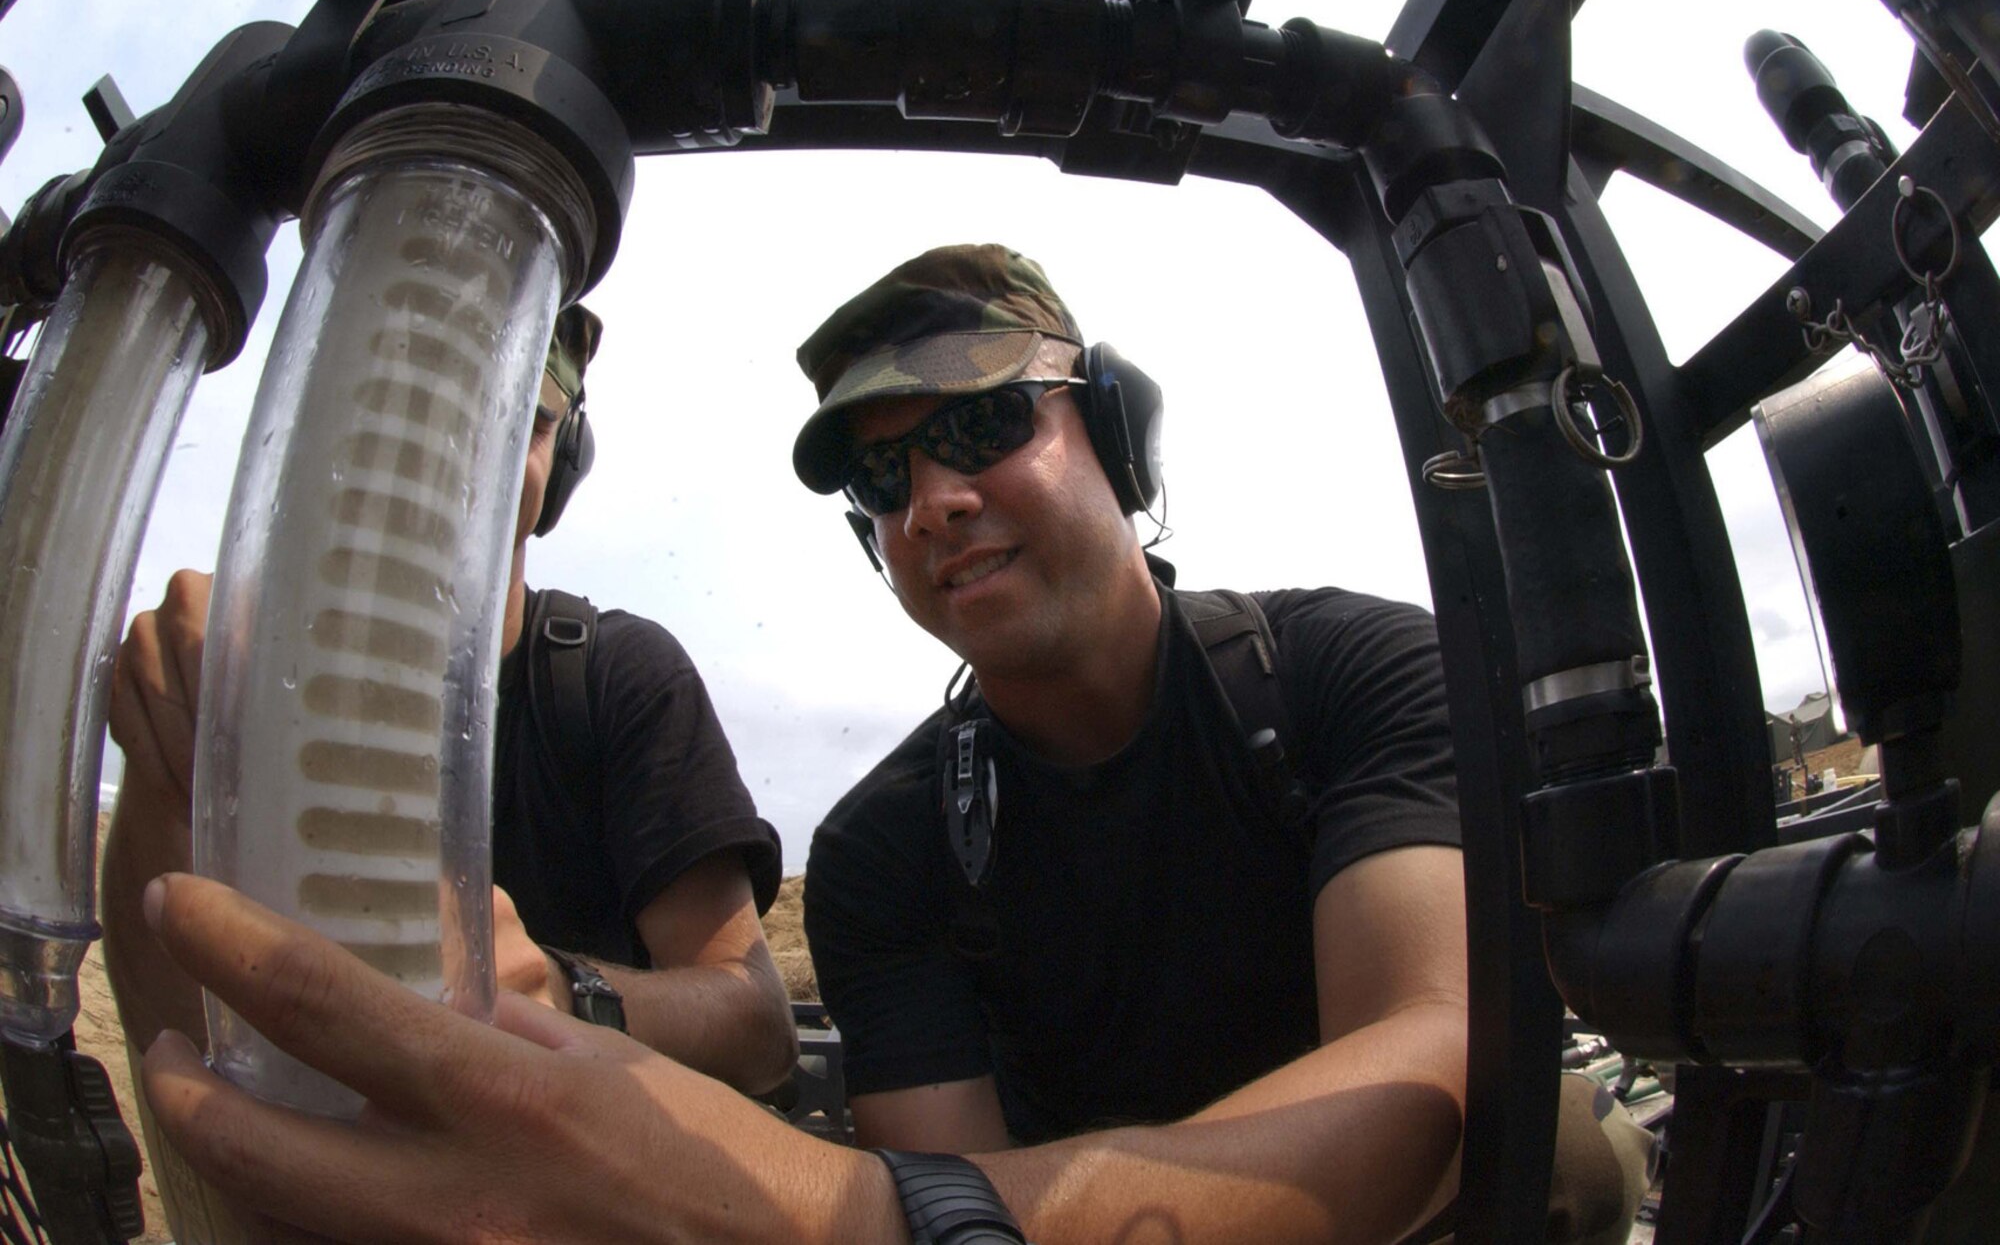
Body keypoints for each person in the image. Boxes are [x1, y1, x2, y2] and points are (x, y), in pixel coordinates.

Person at [119, 251, 1643, 1245]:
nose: (933, 501)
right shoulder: (886, 849)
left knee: (1570, 1147)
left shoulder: (1348, 673)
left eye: (982, 428)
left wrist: (823, 1209)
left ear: (1116, 433)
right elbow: (947, 1180)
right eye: (884, 478)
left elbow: (1439, 1065)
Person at [102, 305, 797, 1232]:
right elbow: (171, 1024)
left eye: (522, 421)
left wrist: (559, 994)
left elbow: (757, 1022)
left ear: (563, 459)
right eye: (426, 414)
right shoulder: (259, 690)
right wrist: (168, 760)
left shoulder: (617, 680)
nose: (463, 450)